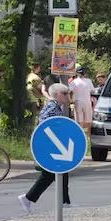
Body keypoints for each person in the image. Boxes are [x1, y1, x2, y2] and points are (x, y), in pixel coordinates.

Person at [18, 83, 74, 212]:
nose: (67, 96)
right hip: (51, 147)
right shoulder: (52, 107)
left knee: (59, 173)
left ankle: (64, 202)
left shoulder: (55, 107)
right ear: (57, 95)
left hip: (53, 146)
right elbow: (45, 125)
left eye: (68, 93)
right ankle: (28, 198)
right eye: (65, 94)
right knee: (51, 174)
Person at [69, 66, 94, 135]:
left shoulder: (74, 82)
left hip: (77, 101)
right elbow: (92, 91)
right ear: (84, 73)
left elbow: (69, 91)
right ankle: (88, 135)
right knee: (88, 120)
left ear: (77, 73)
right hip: (87, 101)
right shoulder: (89, 81)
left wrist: (70, 100)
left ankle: (79, 134)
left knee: (79, 120)